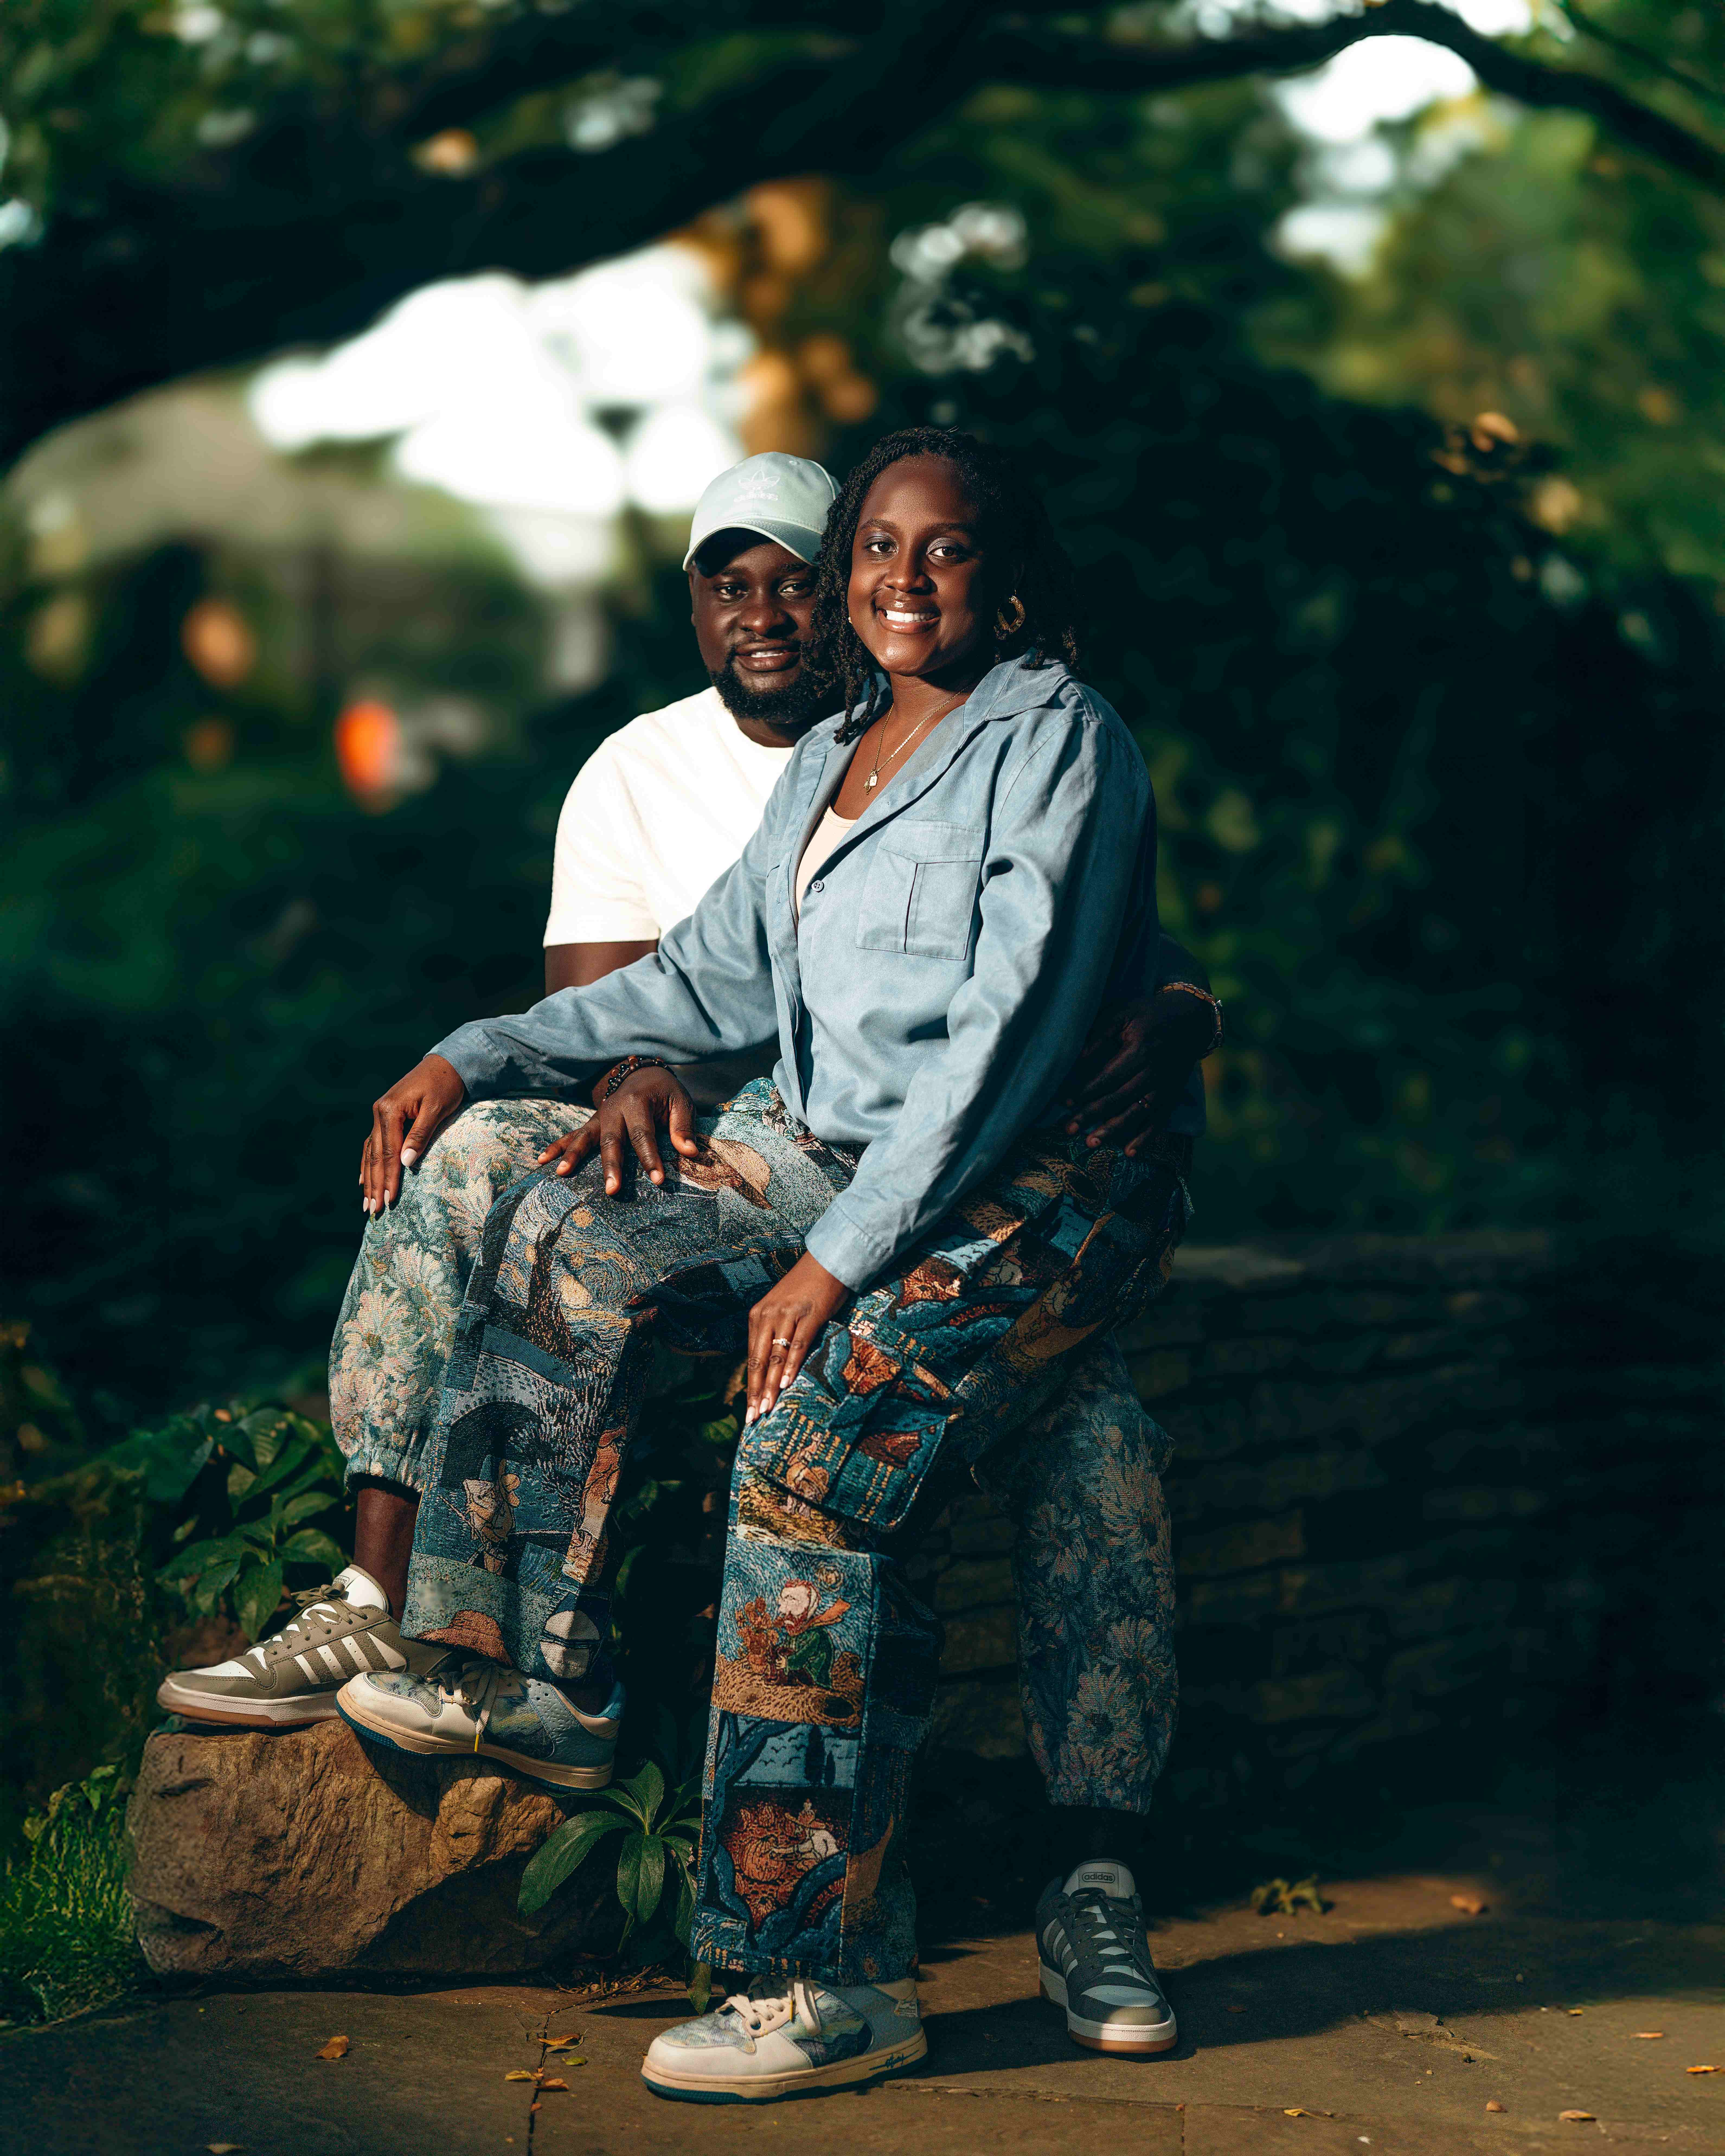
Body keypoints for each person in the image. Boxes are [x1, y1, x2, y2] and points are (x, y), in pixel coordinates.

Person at [157, 443, 1218, 2079]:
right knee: (574, 1239)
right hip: (843, 1159)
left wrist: (834, 1269)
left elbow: (1008, 1042)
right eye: (880, 544)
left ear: (1004, 584)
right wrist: (476, 1048)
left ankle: (810, 1978)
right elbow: (700, 984)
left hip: (1036, 1183)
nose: (900, 576)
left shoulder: (1059, 741)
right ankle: (534, 1674)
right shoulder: (836, 761)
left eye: (943, 552)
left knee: (811, 1458)